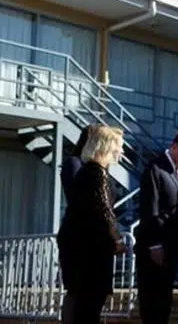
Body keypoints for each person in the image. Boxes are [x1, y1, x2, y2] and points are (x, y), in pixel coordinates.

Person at [56, 125, 126, 324]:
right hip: (88, 248)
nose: (122, 151)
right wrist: (117, 239)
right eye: (119, 146)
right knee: (87, 303)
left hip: (86, 246)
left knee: (86, 303)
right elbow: (103, 209)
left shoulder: (91, 170)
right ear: (107, 146)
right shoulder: (95, 171)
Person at [134, 129, 178, 324]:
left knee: (164, 303)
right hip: (155, 250)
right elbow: (150, 208)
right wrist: (155, 245)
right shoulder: (155, 169)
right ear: (175, 146)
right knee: (152, 304)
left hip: (172, 248)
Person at [59, 123, 101, 324]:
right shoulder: (75, 163)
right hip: (76, 237)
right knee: (76, 291)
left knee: (89, 294)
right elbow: (81, 198)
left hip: (89, 237)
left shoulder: (94, 166)